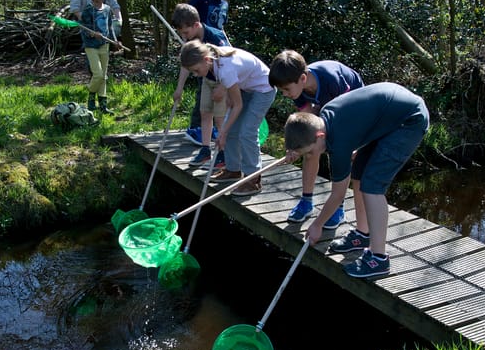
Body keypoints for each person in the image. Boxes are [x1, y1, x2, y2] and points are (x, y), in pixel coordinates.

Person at [283, 82, 429, 278]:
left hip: (409, 120)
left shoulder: (339, 143)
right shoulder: (324, 120)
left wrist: (317, 224)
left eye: (310, 151)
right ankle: (363, 234)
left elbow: (338, 195)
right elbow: (361, 122)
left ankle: (379, 258)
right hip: (389, 115)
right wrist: (296, 150)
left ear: (319, 136)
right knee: (359, 173)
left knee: (372, 186)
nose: (311, 156)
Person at [269, 50, 365, 230]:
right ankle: (306, 201)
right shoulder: (298, 89)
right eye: (282, 90)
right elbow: (307, 120)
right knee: (310, 149)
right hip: (326, 104)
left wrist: (354, 145)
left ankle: (338, 207)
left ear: (302, 79)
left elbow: (347, 119)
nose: (285, 94)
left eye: (286, 89)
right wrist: (296, 147)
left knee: (339, 154)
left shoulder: (332, 81)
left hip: (354, 107)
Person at [180, 40, 276, 196]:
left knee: (247, 132)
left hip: (264, 89)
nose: (196, 74)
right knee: (231, 129)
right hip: (247, 88)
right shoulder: (214, 62)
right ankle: (233, 170)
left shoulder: (225, 69)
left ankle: (253, 179)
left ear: (206, 60)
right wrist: (225, 129)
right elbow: (232, 101)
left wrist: (222, 132)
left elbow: (238, 105)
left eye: (196, 70)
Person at [184, 0, 245, 146]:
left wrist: (228, 49)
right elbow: (186, 23)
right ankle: (196, 128)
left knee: (220, 92)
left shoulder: (224, 4)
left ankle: (216, 129)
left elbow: (220, 29)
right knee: (203, 90)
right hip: (200, 56)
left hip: (219, 56)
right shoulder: (201, 0)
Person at [171, 3, 230, 170]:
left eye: (185, 32)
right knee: (205, 112)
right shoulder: (190, 40)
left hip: (222, 81)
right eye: (181, 33)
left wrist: (223, 87)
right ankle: (205, 150)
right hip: (206, 80)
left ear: (196, 25)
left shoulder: (215, 37)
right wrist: (179, 88)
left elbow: (231, 62)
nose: (184, 36)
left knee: (220, 117)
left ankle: (224, 153)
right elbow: (186, 65)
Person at [80, 0, 121, 114]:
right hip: (91, 47)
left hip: (104, 46)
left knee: (103, 76)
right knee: (97, 74)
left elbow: (110, 27)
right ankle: (91, 96)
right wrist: (92, 33)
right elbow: (83, 29)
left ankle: (103, 105)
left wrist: (115, 41)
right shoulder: (88, 10)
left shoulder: (108, 9)